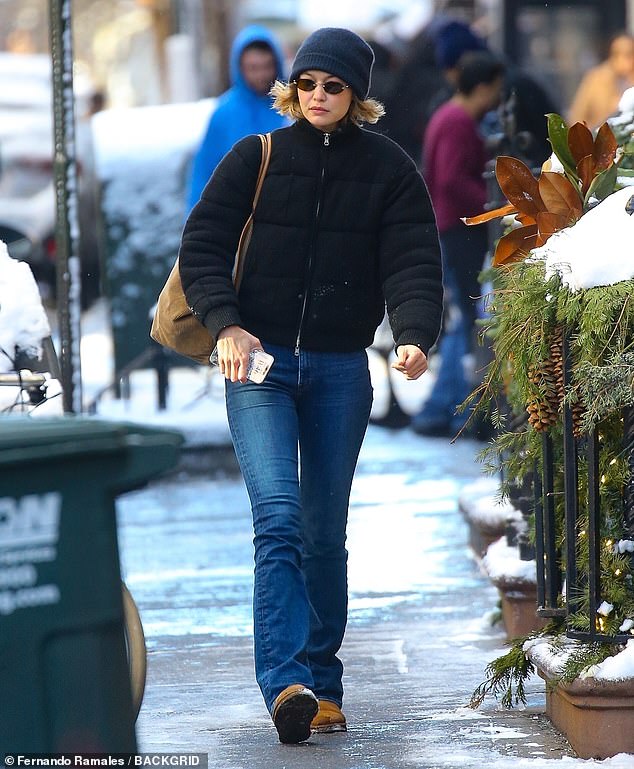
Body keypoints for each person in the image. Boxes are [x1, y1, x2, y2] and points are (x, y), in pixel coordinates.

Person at [178, 27, 443, 744]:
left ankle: (323, 683)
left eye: (333, 86)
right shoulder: (255, 156)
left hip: (337, 370)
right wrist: (226, 324)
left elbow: (414, 257)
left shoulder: (389, 169)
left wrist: (416, 332)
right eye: (308, 84)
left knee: (326, 534)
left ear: (357, 95)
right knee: (280, 517)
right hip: (257, 363)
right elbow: (202, 245)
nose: (319, 96)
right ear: (290, 91)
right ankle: (286, 681)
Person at [412, 50, 505, 438]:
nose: (497, 98)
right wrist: (490, 205)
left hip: (453, 226)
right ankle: (450, 408)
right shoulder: (456, 121)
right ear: (481, 87)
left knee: (462, 321)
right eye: (495, 89)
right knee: (466, 320)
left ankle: (448, 408)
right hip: (457, 228)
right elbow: (450, 179)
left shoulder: (452, 117)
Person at [186, 25, 288, 212]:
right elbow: (204, 173)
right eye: (253, 68)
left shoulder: (293, 108)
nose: (261, 75)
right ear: (239, 67)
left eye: (267, 66)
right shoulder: (224, 114)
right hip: (236, 219)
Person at [569, 32, 634, 130]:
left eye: (629, 54)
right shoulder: (596, 79)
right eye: (618, 53)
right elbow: (577, 116)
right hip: (599, 139)